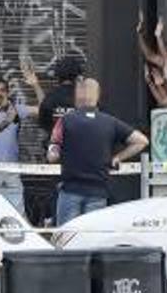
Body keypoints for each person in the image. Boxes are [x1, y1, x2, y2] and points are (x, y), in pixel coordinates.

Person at [48, 78, 149, 226]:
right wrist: (117, 158)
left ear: (77, 96)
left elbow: (53, 153)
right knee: (91, 238)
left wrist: (54, 153)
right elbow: (142, 141)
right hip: (98, 192)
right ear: (97, 96)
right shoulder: (110, 122)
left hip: (70, 191)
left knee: (66, 240)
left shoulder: (65, 121)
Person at [0, 64, 44, 214]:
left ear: (8, 93)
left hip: (12, 169)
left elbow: (44, 110)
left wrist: (35, 85)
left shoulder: (15, 109)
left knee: (17, 213)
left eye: (2, 90)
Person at [38, 55, 84, 140]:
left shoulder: (50, 98)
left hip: (56, 148)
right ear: (77, 76)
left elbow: (43, 123)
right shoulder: (85, 98)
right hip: (80, 147)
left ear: (58, 76)